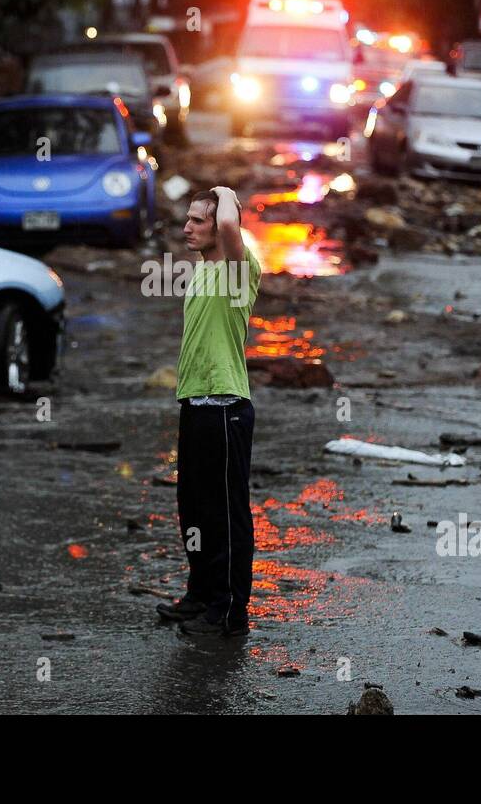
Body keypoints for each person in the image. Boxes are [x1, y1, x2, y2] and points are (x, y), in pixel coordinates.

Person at [155, 187, 261, 638]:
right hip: (195, 402)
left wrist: (224, 192)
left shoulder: (240, 270)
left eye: (199, 220)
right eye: (188, 219)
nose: (187, 228)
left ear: (219, 225)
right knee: (193, 509)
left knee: (227, 515)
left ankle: (231, 610)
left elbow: (231, 225)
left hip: (226, 406)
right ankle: (200, 594)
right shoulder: (200, 272)